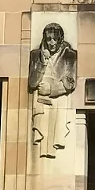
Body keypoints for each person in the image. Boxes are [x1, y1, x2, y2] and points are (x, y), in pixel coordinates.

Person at [27, 23, 77, 157]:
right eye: (49, 39)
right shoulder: (36, 55)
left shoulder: (69, 55)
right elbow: (32, 83)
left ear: (60, 39)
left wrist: (51, 89)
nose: (52, 43)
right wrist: (43, 62)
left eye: (55, 39)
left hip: (57, 101)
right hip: (41, 103)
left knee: (55, 133)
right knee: (43, 132)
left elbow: (70, 83)